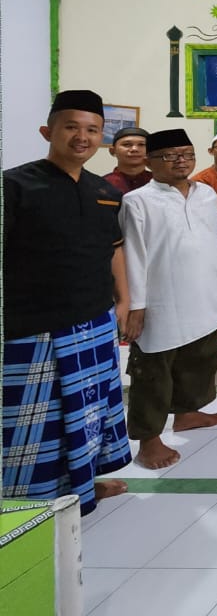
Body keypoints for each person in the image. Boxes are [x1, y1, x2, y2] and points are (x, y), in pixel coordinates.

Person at [2, 89, 132, 513]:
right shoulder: (15, 185)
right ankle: (30, 502)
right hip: (33, 326)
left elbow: (114, 249)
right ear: (48, 131)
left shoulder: (103, 191)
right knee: (34, 421)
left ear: (101, 138)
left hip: (93, 320)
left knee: (89, 410)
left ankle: (85, 483)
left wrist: (124, 301)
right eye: (72, 127)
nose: (82, 137)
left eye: (92, 129)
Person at [120, 129, 217, 469]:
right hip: (161, 301)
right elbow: (133, 256)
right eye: (171, 155)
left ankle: (186, 414)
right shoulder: (138, 201)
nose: (181, 160)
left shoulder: (205, 194)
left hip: (203, 291)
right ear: (151, 161)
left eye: (186, 153)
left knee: (200, 358)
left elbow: (216, 238)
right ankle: (148, 440)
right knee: (154, 370)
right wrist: (136, 305)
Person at [104, 126, 151, 194]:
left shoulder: (161, 183)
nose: (135, 149)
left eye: (141, 144)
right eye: (127, 144)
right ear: (112, 151)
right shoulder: (101, 184)